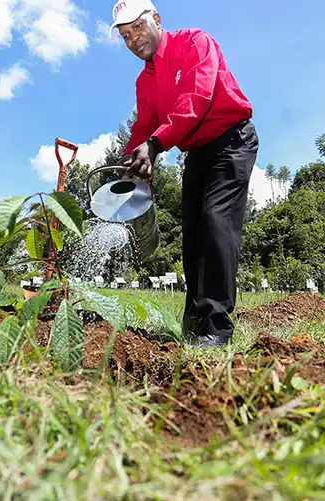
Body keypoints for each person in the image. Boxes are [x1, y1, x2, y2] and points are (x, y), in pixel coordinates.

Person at [110, 0, 259, 348]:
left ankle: (218, 328)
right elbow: (144, 125)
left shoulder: (195, 43)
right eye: (126, 36)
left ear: (156, 19)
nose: (133, 40)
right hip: (195, 151)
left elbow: (196, 99)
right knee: (192, 233)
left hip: (231, 140)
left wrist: (156, 145)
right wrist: (131, 158)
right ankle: (194, 324)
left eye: (138, 28)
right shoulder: (144, 81)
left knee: (215, 219)